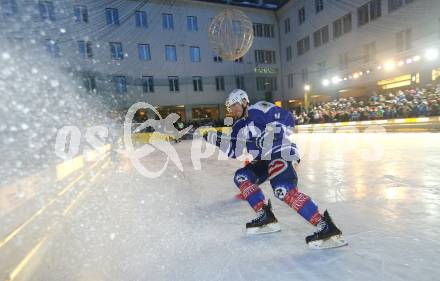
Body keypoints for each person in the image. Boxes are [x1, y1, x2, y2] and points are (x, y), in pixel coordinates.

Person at [204, 89, 346, 249]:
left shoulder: (258, 108)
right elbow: (234, 151)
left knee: (282, 189)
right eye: (230, 108)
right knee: (241, 176)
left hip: (281, 151)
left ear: (244, 101)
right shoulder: (238, 126)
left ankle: (326, 226)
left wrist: (271, 133)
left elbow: (288, 119)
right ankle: (265, 215)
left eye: (235, 105)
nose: (233, 110)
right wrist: (213, 138)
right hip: (263, 160)